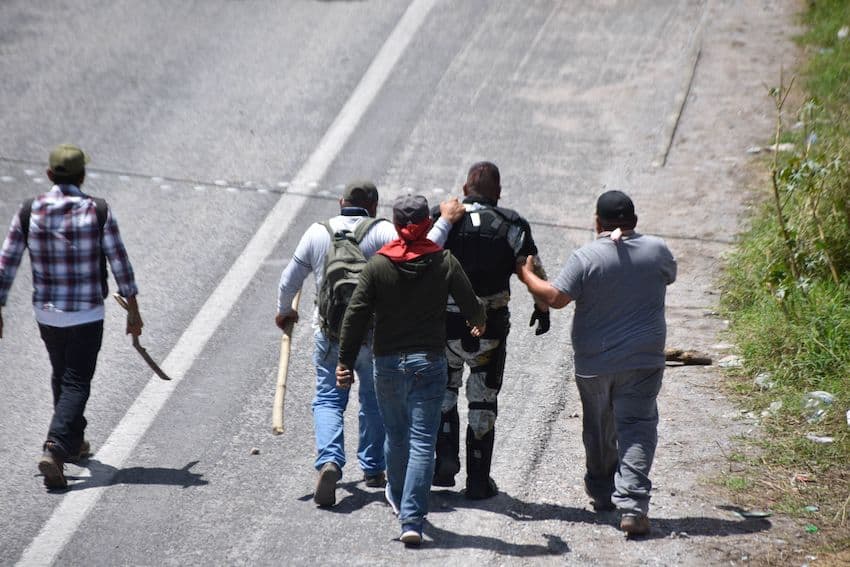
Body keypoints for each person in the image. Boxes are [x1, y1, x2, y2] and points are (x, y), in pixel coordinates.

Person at [275, 181, 464, 507]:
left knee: (328, 400)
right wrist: (445, 221)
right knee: (374, 400)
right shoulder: (381, 232)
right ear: (374, 206)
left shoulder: (317, 233)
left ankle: (330, 461)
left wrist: (284, 312)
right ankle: (374, 467)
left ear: (340, 201)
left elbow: (288, 280)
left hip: (331, 334)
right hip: (376, 335)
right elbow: (424, 250)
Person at [515, 189, 676, 536]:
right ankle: (632, 506)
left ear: (597, 222)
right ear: (634, 220)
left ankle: (603, 491)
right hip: (644, 359)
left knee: (599, 427)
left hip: (594, 362)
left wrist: (527, 276)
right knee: (636, 427)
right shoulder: (658, 250)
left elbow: (556, 299)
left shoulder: (586, 256)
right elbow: (668, 274)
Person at [336, 194, 486, 545]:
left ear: (396, 222)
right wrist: (477, 322)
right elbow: (471, 304)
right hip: (428, 364)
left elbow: (355, 314)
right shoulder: (443, 261)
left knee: (396, 435)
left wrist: (344, 360)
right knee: (422, 442)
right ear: (425, 221)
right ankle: (412, 518)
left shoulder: (378, 265)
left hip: (386, 363)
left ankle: (399, 497)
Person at [0, 143, 143, 490]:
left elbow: (7, 261)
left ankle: (73, 442)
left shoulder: (29, 210)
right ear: (82, 176)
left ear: (50, 175)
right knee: (77, 381)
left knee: (62, 374)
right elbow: (119, 261)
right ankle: (56, 447)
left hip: (47, 313)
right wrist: (134, 310)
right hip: (86, 313)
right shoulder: (97, 211)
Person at [430, 161, 550, 499]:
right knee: (483, 401)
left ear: (465, 189)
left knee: (444, 390)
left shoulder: (446, 218)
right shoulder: (512, 224)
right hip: (490, 330)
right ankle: (479, 481)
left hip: (445, 327)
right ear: (498, 193)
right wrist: (542, 309)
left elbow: (421, 254)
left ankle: (445, 461)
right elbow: (531, 267)